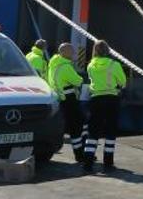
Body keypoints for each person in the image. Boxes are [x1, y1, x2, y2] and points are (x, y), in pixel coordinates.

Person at [83, 40, 126, 173]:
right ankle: (108, 161)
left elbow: (91, 80)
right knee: (110, 130)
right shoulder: (114, 64)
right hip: (111, 99)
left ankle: (88, 162)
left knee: (93, 131)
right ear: (108, 51)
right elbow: (123, 82)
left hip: (95, 99)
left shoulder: (90, 65)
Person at [48, 43, 86, 163]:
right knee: (78, 127)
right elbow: (78, 81)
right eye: (72, 51)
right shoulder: (65, 67)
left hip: (60, 100)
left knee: (69, 126)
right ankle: (80, 154)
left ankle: (80, 153)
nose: (74, 53)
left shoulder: (54, 64)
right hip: (69, 100)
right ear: (65, 53)